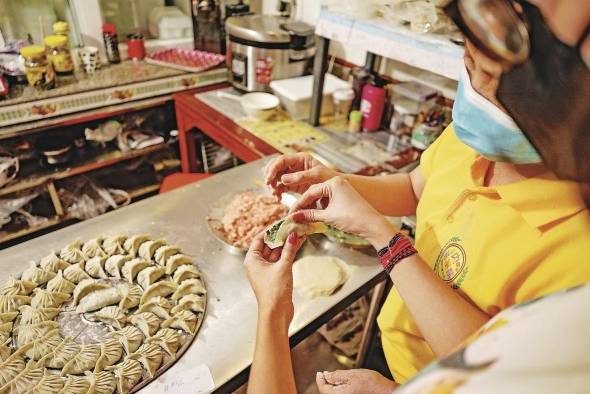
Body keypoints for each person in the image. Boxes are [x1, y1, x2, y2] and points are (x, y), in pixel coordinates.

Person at [243, 0, 590, 393]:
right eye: (468, 62)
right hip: (399, 347)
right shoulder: (472, 143)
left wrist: (385, 240)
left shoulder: (576, 255)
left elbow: (494, 375)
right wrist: (338, 181)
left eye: (485, 75)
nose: (469, 89)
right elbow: (413, 188)